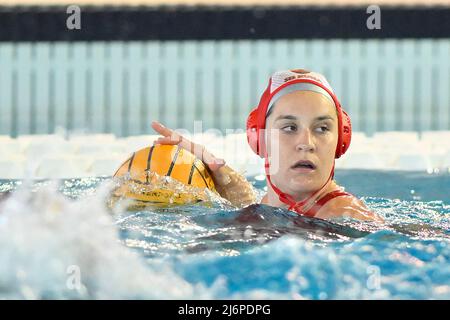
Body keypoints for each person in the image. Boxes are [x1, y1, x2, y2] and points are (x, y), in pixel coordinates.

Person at [151, 69, 383, 222]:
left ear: (340, 142)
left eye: (322, 128)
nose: (306, 143)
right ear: (259, 140)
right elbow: (254, 204)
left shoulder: (348, 217)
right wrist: (213, 169)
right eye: (290, 128)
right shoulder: (270, 205)